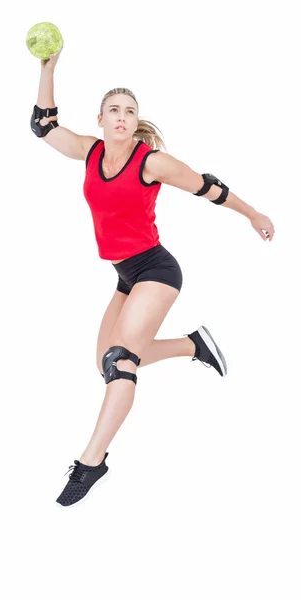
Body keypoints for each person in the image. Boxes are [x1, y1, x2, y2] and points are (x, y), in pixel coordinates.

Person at [31, 49, 275, 508]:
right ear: (100, 118)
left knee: (121, 362)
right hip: (126, 275)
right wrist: (48, 68)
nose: (122, 117)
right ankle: (193, 345)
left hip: (157, 270)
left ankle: (91, 462)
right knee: (105, 359)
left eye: (130, 111)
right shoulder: (90, 151)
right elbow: (43, 126)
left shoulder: (151, 162)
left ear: (135, 120)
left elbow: (209, 186)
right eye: (114, 110)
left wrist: (252, 214)